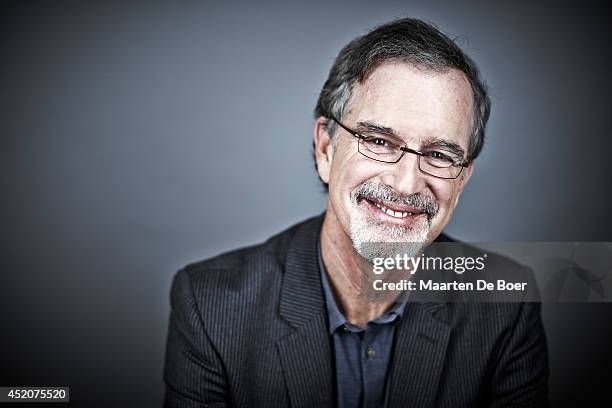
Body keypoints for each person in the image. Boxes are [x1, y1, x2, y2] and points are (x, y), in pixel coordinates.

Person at [163, 18, 549, 408]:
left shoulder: (506, 308)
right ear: (325, 149)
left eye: (438, 155)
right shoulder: (210, 306)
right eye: (379, 141)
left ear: (462, 179)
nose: (406, 184)